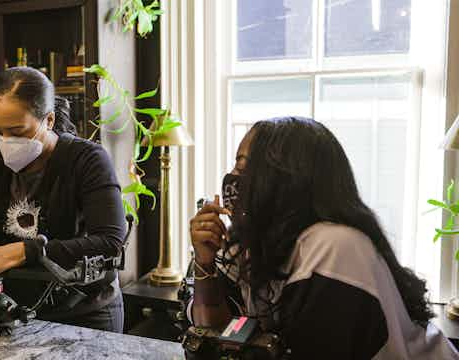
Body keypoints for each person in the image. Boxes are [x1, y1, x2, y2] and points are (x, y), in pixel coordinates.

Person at [188, 116, 459, 358]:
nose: (234, 180)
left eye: (247, 170)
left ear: (288, 180)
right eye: (236, 168)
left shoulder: (335, 247)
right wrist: (204, 260)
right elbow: (215, 333)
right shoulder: (255, 244)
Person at [0, 67, 126, 333]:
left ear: (48, 120)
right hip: (11, 309)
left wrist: (27, 251)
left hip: (84, 312)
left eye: (17, 131)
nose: (6, 141)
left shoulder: (88, 160)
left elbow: (110, 243)